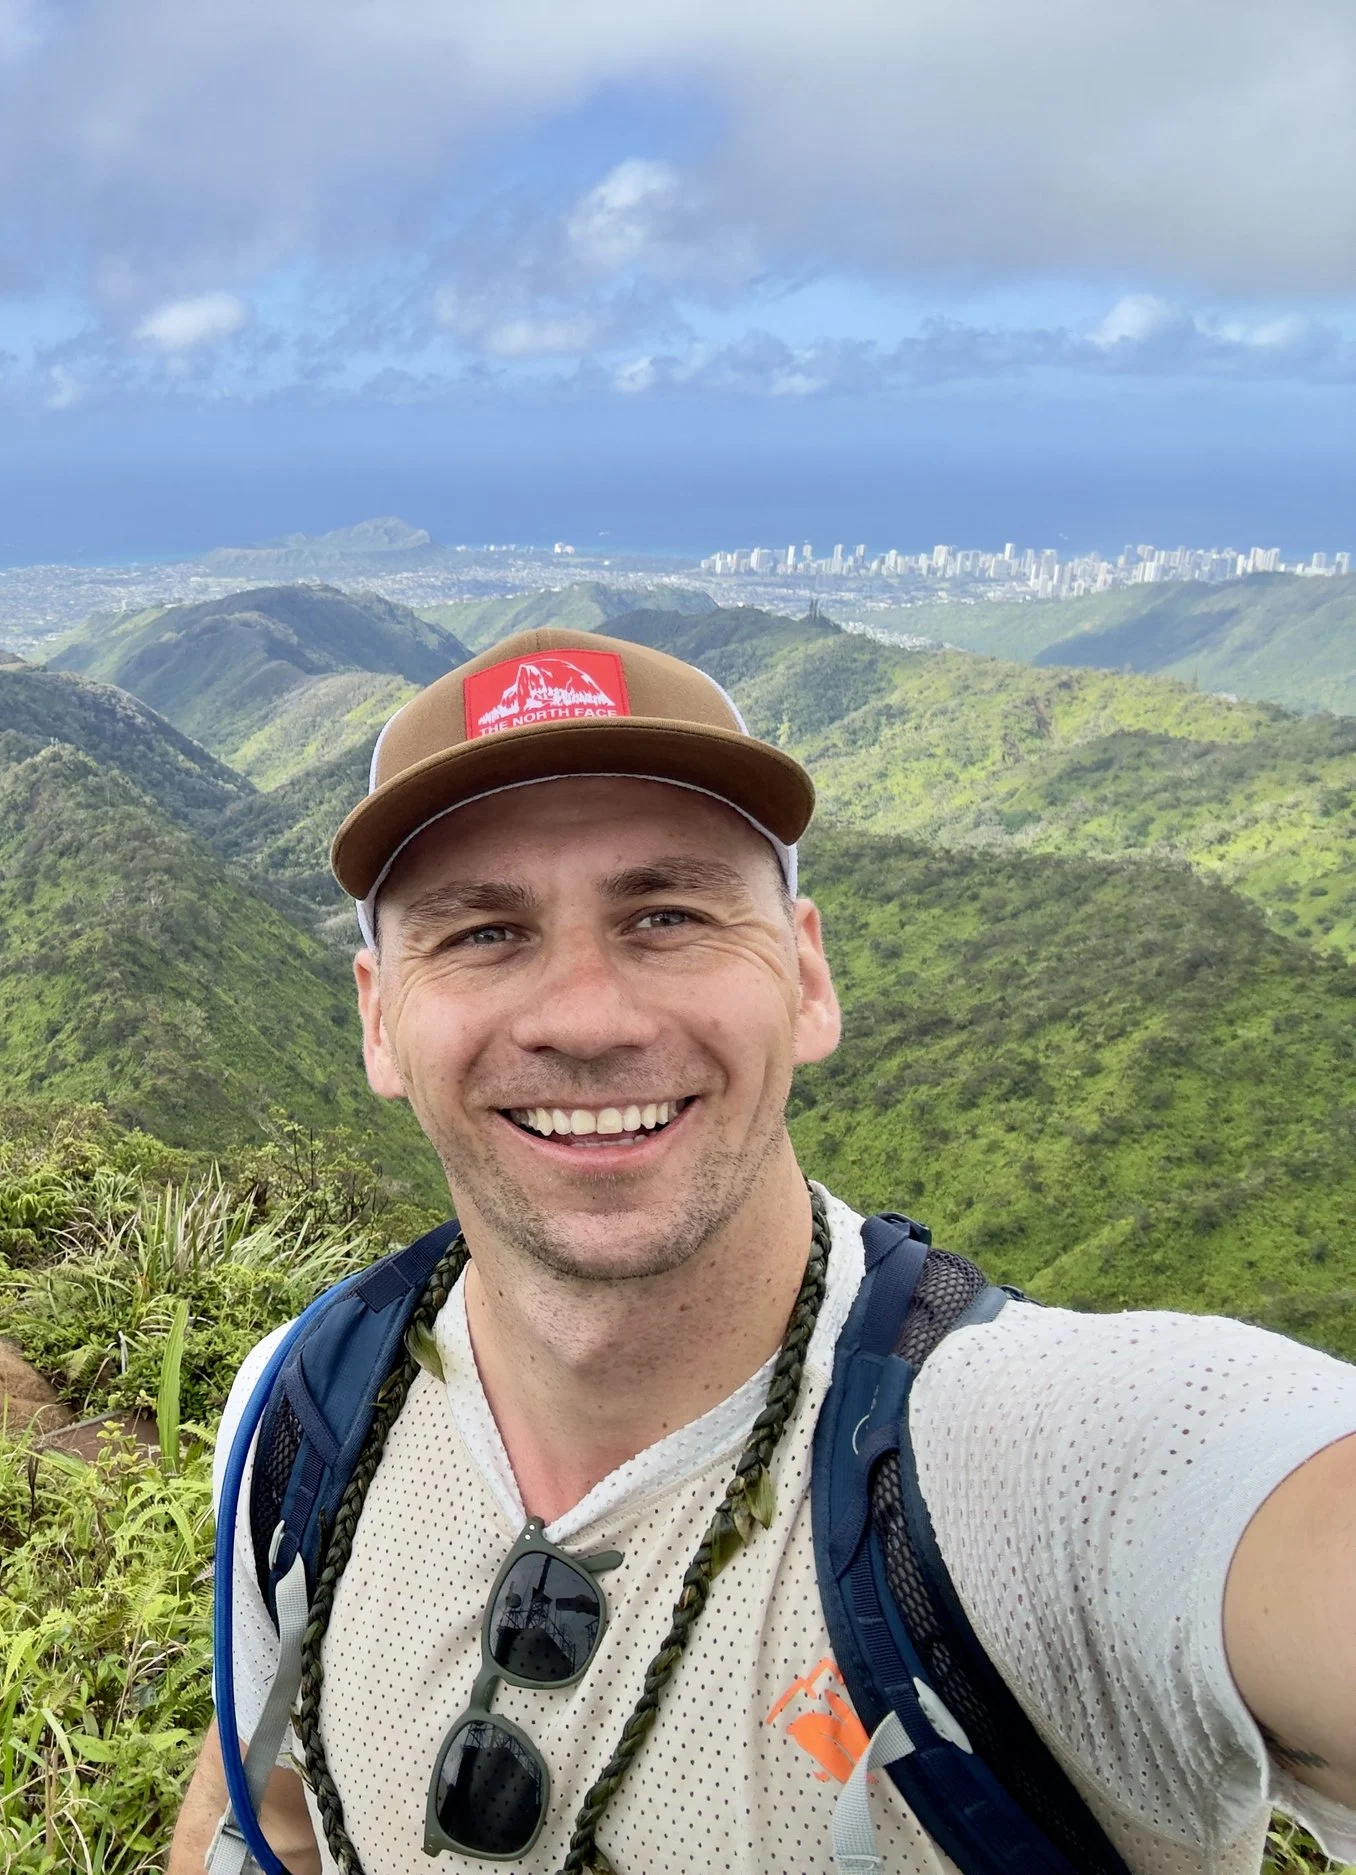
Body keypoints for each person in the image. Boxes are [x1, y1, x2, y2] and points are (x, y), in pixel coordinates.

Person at [167, 627, 1356, 1875]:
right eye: (481, 933)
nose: (585, 1015)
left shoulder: (1039, 1470)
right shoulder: (308, 1409)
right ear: (377, 1021)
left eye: (666, 914)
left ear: (803, 976)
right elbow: (266, 1810)